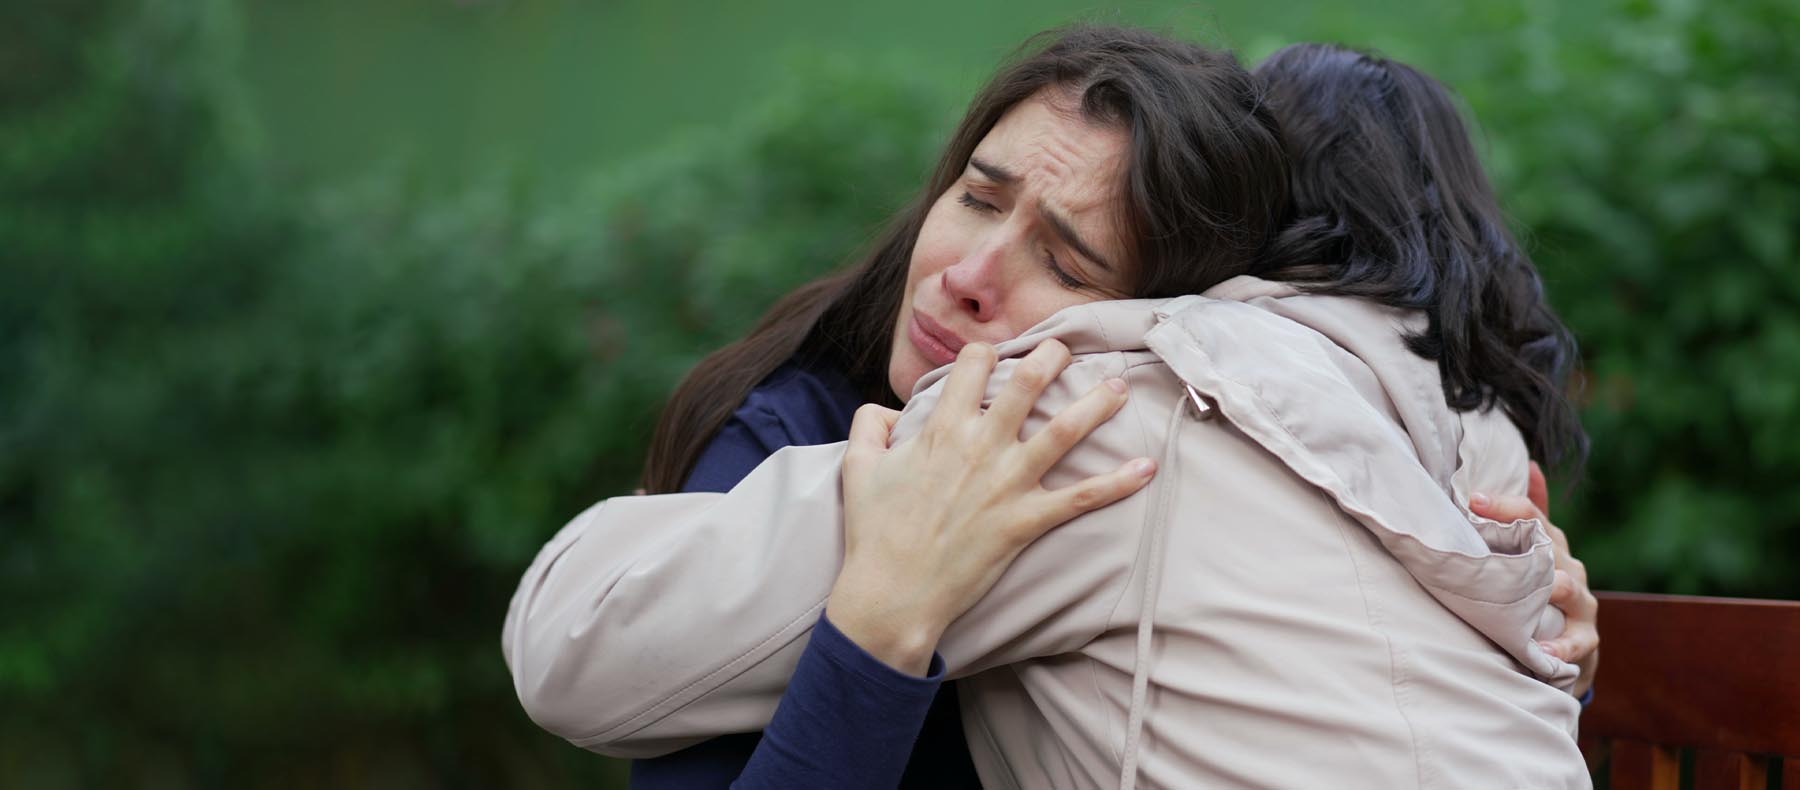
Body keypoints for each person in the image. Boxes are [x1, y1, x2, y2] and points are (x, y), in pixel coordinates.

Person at [505, 30, 1599, 789]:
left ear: (1172, 306)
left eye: (1068, 264)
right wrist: (881, 619)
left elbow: (571, 639)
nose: (973, 273)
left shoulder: (1110, 415)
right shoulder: (795, 427)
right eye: (979, 195)